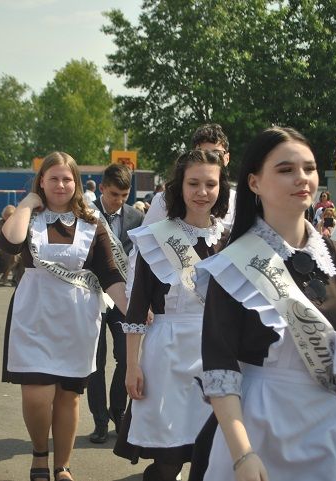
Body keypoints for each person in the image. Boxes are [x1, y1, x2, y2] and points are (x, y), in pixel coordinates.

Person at [195, 127, 336, 481]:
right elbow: (220, 368)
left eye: (309, 168)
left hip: (325, 429)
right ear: (254, 183)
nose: (301, 178)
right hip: (256, 426)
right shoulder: (234, 262)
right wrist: (243, 456)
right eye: (285, 169)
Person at [0, 151, 129, 481]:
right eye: (53, 178)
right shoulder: (28, 219)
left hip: (77, 320)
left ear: (77, 184)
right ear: (41, 181)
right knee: (37, 394)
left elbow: (111, 275)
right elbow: (10, 242)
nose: (60, 184)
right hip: (34, 316)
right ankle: (39, 454)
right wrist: (27, 203)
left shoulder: (91, 225)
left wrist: (136, 309)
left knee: (68, 397)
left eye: (67, 178)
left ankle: (62, 466)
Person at [113, 150, 229, 481]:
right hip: (166, 356)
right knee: (169, 459)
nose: (202, 192)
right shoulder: (156, 238)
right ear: (179, 187)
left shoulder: (228, 238)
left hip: (214, 355)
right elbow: (136, 310)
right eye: (193, 183)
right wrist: (132, 366)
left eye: (210, 184)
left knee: (212, 456)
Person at [86, 164, 144, 444]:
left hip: (124, 298)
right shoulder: (85, 214)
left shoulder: (137, 217)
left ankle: (117, 411)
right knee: (95, 362)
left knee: (125, 357)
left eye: (123, 195)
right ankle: (98, 421)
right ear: (101, 187)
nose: (118, 200)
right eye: (113, 194)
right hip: (93, 297)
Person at [142, 124, 236, 230]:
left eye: (217, 154)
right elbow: (144, 242)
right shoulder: (164, 200)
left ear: (227, 158)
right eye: (202, 153)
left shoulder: (238, 202)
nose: (209, 158)